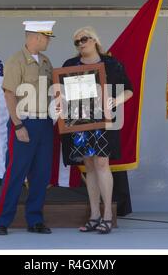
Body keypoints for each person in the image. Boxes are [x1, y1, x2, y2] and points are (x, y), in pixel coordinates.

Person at [60, 26, 133, 234]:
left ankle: (107, 215)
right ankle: (94, 215)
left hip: (104, 122)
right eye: (76, 41)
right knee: (89, 166)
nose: (81, 43)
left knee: (102, 163)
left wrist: (114, 100)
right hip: (80, 122)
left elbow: (129, 90)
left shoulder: (111, 64)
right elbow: (62, 94)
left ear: (94, 40)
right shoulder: (70, 65)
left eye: (84, 38)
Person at [0, 21, 56, 235]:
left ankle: (35, 220)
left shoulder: (47, 62)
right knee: (15, 173)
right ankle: (2, 220)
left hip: (45, 123)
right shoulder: (16, 61)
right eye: (47, 37)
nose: (48, 40)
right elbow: (9, 94)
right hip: (24, 122)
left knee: (41, 174)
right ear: (36, 37)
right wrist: (18, 124)